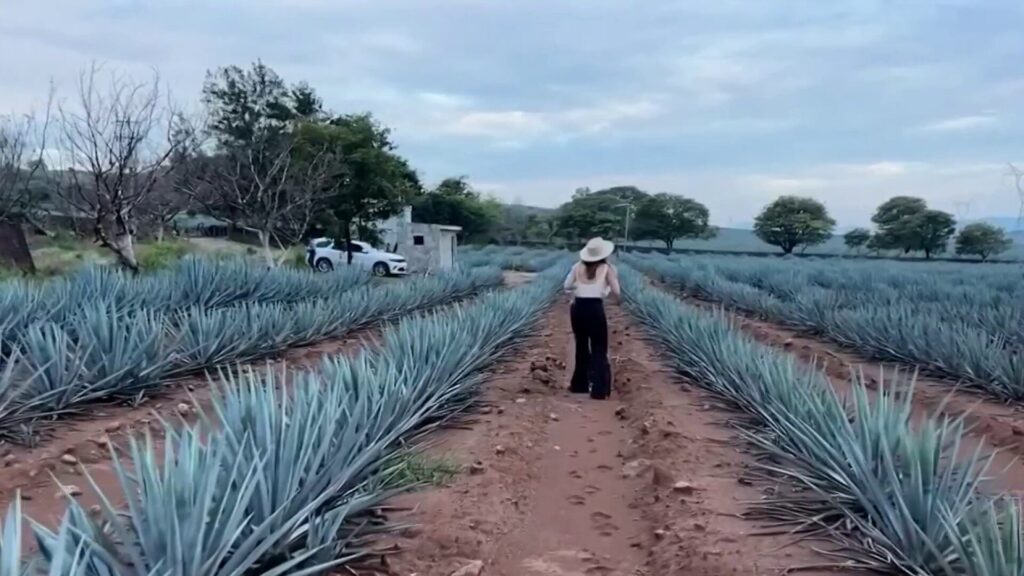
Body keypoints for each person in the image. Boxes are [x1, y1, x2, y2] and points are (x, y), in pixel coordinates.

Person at [563, 237, 621, 400]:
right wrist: (614, 298)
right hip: (595, 308)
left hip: (578, 308)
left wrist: (578, 289)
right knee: (599, 347)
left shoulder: (576, 267)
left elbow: (566, 286)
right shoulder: (608, 269)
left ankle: (579, 385)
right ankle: (599, 389)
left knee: (581, 345)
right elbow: (617, 291)